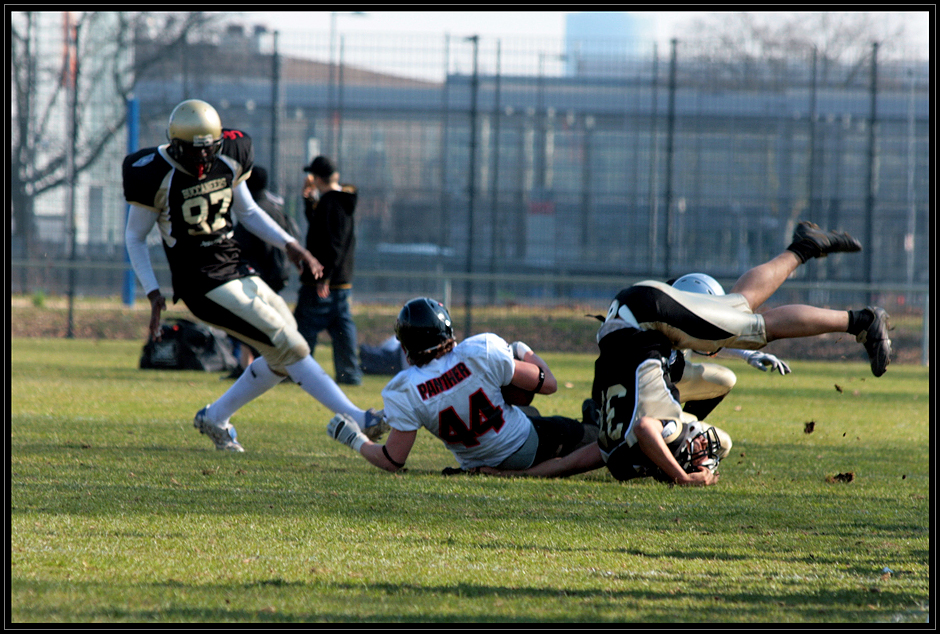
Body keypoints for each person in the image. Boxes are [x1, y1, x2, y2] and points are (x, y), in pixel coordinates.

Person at [478, 221, 892, 486]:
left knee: (756, 328)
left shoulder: (650, 439)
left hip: (644, 315)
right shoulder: (619, 454)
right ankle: (804, 249)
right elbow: (576, 461)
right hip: (632, 320)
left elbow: (645, 428)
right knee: (745, 308)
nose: (697, 451)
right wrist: (519, 477)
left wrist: (681, 477)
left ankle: (861, 320)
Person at [123, 99, 386, 452]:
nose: (203, 161)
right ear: (175, 146)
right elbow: (135, 236)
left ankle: (215, 417)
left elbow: (247, 211)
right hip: (201, 282)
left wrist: (292, 245)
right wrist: (153, 292)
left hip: (235, 267)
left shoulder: (231, 155)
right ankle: (358, 416)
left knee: (284, 349)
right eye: (193, 152)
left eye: (208, 151)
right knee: (290, 346)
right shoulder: (155, 172)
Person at [325, 297, 599, 473]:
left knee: (529, 413)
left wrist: (354, 439)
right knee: (586, 434)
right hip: (521, 444)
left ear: (407, 345)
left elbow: (392, 460)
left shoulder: (404, 388)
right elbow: (548, 384)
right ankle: (595, 425)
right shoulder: (480, 350)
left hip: (476, 460)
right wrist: (522, 350)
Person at [666, 273, 791, 421]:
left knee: (723, 379)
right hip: (645, 398)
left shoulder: (674, 318)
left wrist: (748, 354)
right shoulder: (654, 337)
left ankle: (686, 429)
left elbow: (712, 340)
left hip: (669, 384)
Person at [224, 165, 301, 379]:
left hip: (258, 276)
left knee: (253, 324)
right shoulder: (275, 208)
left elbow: (240, 246)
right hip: (276, 275)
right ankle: (248, 366)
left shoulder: (254, 212)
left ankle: (265, 367)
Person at [294, 156, 362, 385]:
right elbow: (318, 226)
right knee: (341, 326)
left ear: (316, 177)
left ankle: (300, 371)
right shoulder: (338, 200)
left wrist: (325, 277)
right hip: (340, 279)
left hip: (322, 280)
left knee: (304, 325)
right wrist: (309, 201)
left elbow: (334, 243)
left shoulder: (332, 203)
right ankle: (349, 374)